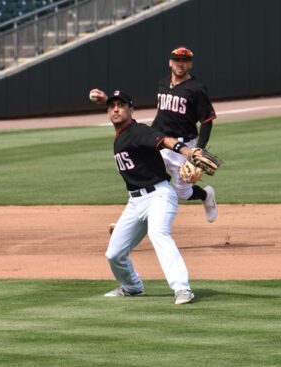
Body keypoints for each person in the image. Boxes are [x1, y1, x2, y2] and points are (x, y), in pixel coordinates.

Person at [90, 46, 218, 224]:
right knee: (141, 174)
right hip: (157, 140)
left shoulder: (197, 89)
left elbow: (207, 120)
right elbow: (127, 107)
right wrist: (107, 101)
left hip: (183, 146)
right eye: (177, 60)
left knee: (184, 192)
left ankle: (206, 196)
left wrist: (197, 150)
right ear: (170, 62)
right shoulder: (163, 83)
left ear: (190, 64)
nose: (180, 64)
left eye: (185, 61)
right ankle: (130, 220)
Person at [101, 89, 195, 305]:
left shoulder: (137, 131)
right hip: (135, 202)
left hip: (159, 196)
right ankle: (132, 287)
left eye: (121, 105)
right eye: (112, 106)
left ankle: (182, 288)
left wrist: (185, 150)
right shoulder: (121, 135)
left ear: (131, 109)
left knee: (158, 233)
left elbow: (163, 140)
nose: (116, 109)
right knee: (114, 254)